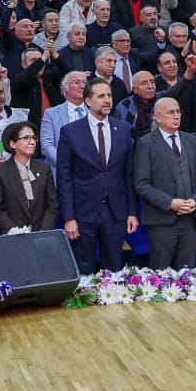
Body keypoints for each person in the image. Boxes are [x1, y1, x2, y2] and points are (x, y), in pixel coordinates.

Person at [56, 80, 137, 273]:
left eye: (109, 95)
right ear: (87, 101)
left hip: (115, 211)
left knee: (114, 266)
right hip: (83, 211)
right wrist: (68, 218)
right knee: (83, 266)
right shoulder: (70, 132)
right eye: (101, 96)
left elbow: (128, 174)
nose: (107, 100)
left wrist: (132, 212)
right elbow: (64, 178)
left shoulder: (123, 129)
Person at [131, 97, 196, 268]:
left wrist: (195, 200)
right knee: (161, 274)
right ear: (157, 117)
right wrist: (170, 203)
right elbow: (141, 183)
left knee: (187, 274)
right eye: (170, 112)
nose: (176, 116)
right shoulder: (146, 143)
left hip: (189, 219)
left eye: (178, 111)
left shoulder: (192, 140)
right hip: (162, 221)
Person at [0, 119, 59, 235]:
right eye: (26, 138)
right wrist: (12, 229)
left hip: (40, 236)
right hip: (10, 236)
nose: (32, 142)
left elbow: (52, 204)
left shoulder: (44, 168)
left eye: (34, 138)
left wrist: (44, 231)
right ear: (12, 143)